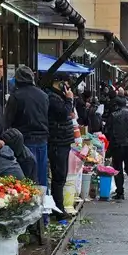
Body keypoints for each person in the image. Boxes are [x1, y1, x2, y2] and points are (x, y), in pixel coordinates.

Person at [4, 66, 49, 187]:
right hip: (42, 141)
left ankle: (30, 204)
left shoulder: (16, 96)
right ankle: (44, 201)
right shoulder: (43, 95)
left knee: (27, 179)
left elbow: (7, 120)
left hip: (24, 141)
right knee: (41, 177)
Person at [45, 78, 75, 214]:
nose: (68, 88)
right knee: (59, 176)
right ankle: (58, 210)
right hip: (58, 142)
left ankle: (59, 208)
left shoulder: (59, 98)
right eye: (66, 85)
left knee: (62, 176)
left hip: (63, 141)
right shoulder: (53, 98)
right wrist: (69, 100)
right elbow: (63, 114)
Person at [104, 97, 128, 200]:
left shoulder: (113, 115)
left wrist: (111, 139)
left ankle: (120, 192)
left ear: (116, 105)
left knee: (118, 168)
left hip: (117, 145)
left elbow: (107, 130)